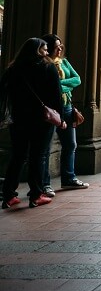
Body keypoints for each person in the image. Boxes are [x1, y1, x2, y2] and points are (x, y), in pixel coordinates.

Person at [1, 38, 64, 209]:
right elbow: (56, 95)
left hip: (18, 118)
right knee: (38, 156)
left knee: (18, 156)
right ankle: (36, 195)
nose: (46, 52)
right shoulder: (47, 67)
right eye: (44, 49)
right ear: (38, 51)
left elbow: (3, 91)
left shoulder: (13, 68)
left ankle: (8, 195)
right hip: (41, 119)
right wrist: (61, 118)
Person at [40, 34, 88, 195]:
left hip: (67, 107)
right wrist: (60, 86)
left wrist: (59, 85)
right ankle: (44, 184)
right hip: (50, 110)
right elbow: (46, 88)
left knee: (70, 144)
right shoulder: (43, 65)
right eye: (56, 46)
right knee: (45, 148)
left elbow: (77, 79)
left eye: (61, 45)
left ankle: (68, 178)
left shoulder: (64, 62)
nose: (60, 48)